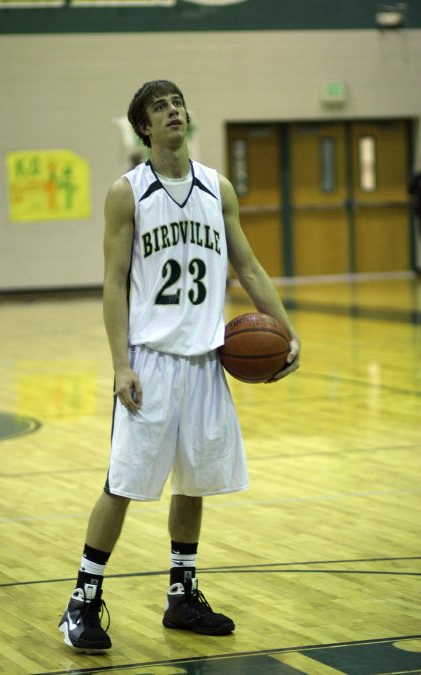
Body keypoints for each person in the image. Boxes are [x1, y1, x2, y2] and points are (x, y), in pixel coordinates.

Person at [58, 80, 300, 652]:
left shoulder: (218, 188)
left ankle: (182, 595)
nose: (173, 112)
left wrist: (287, 332)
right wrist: (120, 364)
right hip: (150, 360)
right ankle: (81, 602)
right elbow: (113, 282)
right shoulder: (128, 192)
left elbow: (251, 268)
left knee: (194, 481)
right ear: (143, 127)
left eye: (177, 104)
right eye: (160, 107)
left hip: (206, 360)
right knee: (122, 484)